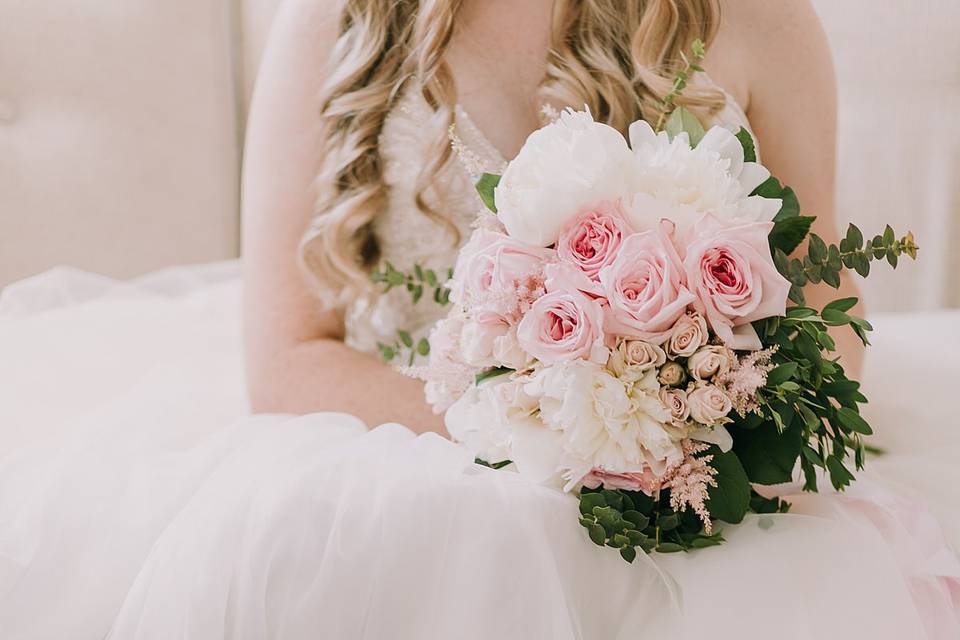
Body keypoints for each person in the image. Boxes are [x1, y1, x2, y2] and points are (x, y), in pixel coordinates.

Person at [0, 1, 957, 638]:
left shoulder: (754, 18)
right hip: (400, 430)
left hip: (678, 458)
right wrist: (558, 432)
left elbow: (831, 322)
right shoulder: (335, 22)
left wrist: (676, 424)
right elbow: (288, 362)